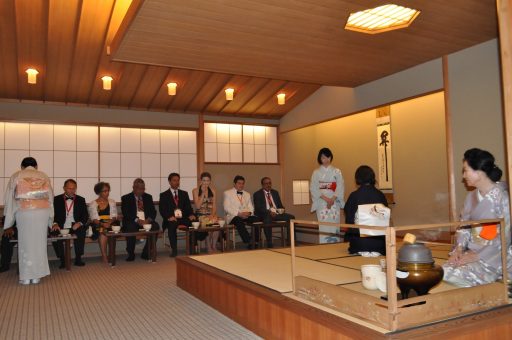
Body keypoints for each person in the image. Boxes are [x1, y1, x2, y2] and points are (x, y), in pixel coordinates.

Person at [443, 148, 512, 287]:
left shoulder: (503, 197)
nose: (463, 175)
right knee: (444, 271)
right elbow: (464, 227)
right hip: (475, 250)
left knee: (456, 276)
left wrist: (477, 256)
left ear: (478, 172)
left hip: (497, 257)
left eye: (466, 170)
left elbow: (506, 238)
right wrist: (459, 250)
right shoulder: (471, 197)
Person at [3, 157, 54, 285]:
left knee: (25, 243)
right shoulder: (43, 176)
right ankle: (36, 276)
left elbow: (10, 199)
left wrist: (8, 222)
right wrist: (51, 218)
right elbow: (50, 197)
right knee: (39, 243)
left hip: (24, 212)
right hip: (42, 212)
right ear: (36, 166)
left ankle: (26, 277)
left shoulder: (17, 175)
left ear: (22, 166)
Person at [344, 166, 388, 255]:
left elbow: (349, 220)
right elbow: (386, 219)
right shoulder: (381, 195)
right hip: (380, 245)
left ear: (358, 179)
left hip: (359, 244)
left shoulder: (354, 196)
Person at [50, 179, 89, 268]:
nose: (72, 190)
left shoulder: (81, 199)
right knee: (54, 233)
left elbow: (85, 215)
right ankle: (62, 259)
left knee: (81, 231)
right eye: (69, 188)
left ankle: (78, 258)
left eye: (74, 188)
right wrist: (55, 223)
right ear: (64, 188)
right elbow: (51, 214)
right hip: (61, 225)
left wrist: (79, 223)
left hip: (74, 225)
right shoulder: (56, 199)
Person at [310, 148, 345, 243]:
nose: (326, 159)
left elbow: (340, 186)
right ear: (320, 159)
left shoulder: (337, 171)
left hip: (334, 202)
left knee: (334, 224)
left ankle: (334, 244)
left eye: (328, 157)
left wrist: (332, 199)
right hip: (322, 202)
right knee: (324, 226)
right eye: (323, 157)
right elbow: (314, 188)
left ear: (331, 157)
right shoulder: (316, 172)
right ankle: (323, 246)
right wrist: (326, 199)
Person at [121, 178, 159, 261]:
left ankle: (146, 252)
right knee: (130, 228)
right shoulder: (126, 198)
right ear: (133, 188)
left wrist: (148, 220)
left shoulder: (148, 197)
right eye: (139, 189)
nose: (141, 191)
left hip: (146, 221)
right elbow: (126, 213)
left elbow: (153, 212)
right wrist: (137, 220)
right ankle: (131, 253)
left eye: (143, 189)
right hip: (133, 221)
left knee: (155, 226)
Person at [160, 173, 196, 257]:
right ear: (169, 181)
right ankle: (174, 250)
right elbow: (162, 210)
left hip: (183, 218)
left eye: (178, 180)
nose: (177, 182)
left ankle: (192, 248)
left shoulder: (184, 194)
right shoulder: (164, 195)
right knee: (172, 225)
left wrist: (191, 214)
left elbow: (188, 207)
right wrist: (169, 217)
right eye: (174, 180)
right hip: (171, 219)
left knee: (194, 222)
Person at [253, 177, 295, 247]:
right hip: (265, 214)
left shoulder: (275, 192)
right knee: (267, 218)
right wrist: (269, 212)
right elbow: (258, 208)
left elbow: (280, 205)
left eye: (270, 183)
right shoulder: (257, 194)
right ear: (262, 185)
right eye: (266, 183)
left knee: (291, 217)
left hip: (277, 213)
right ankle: (269, 242)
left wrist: (281, 210)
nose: (268, 185)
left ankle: (291, 240)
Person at [224, 175, 259, 249]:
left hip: (246, 215)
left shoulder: (247, 194)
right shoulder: (227, 193)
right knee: (238, 220)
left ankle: (255, 241)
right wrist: (239, 214)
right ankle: (249, 240)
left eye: (242, 183)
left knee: (256, 220)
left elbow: (251, 207)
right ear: (234, 184)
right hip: (233, 216)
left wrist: (249, 213)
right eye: (239, 183)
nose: (241, 185)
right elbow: (226, 208)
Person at [88, 182, 119, 264]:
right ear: (99, 192)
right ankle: (104, 256)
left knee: (113, 231)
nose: (107, 193)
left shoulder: (112, 202)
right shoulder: (93, 204)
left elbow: (114, 216)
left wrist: (109, 222)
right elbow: (94, 219)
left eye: (108, 191)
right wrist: (102, 224)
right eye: (104, 191)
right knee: (102, 233)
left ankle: (112, 254)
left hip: (111, 222)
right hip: (98, 223)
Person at [192, 172, 218, 253]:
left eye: (208, 181)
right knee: (208, 223)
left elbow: (214, 206)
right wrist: (203, 193)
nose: (206, 183)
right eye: (204, 180)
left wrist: (212, 215)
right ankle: (208, 246)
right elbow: (197, 206)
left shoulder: (213, 191)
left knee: (217, 224)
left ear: (210, 181)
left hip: (210, 214)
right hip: (200, 215)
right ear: (201, 181)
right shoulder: (195, 190)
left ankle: (214, 245)